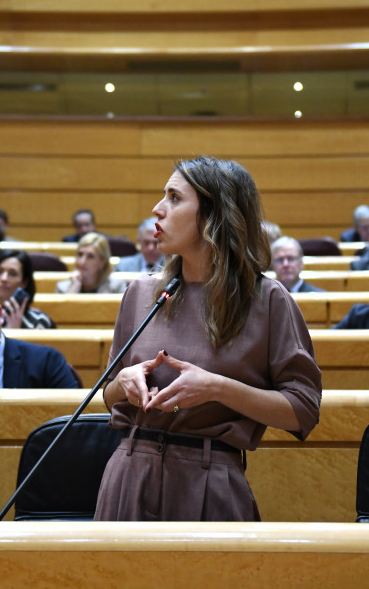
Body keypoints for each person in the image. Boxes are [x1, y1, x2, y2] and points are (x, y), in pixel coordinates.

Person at [94, 156, 322, 522]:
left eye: (174, 197)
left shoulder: (268, 300)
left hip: (210, 479)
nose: (157, 208)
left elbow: (302, 411)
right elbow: (107, 394)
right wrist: (123, 383)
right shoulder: (140, 293)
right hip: (130, 475)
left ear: (215, 214)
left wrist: (218, 388)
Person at [0, 249, 56, 329]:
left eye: (13, 274)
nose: (4, 278)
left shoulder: (38, 321)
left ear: (24, 282)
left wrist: (15, 332)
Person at [56, 232, 127, 294]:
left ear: (103, 262)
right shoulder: (62, 288)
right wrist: (74, 288)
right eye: (80, 255)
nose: (82, 261)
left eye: (90, 256)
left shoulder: (117, 287)